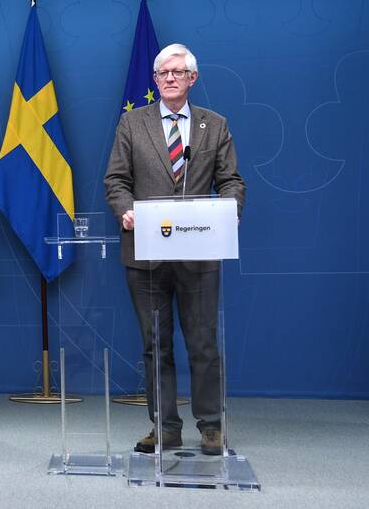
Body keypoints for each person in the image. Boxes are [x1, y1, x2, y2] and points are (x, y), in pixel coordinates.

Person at [103, 44, 245, 455]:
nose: (169, 78)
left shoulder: (214, 125)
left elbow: (231, 181)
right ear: (155, 79)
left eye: (177, 72)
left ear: (192, 79)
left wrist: (231, 211)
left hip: (198, 252)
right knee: (155, 344)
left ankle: (211, 426)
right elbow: (116, 180)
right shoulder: (132, 123)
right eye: (163, 73)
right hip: (145, 253)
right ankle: (164, 426)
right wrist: (126, 211)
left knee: (203, 343)